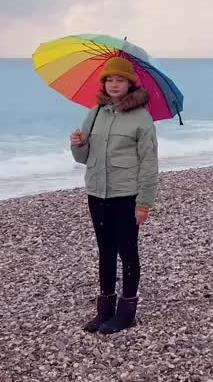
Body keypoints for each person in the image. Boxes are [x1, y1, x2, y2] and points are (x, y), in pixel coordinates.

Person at [69, 55, 159, 334]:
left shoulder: (141, 117)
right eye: (109, 79)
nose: (114, 84)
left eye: (120, 79)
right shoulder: (95, 112)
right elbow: (84, 157)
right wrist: (77, 144)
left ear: (130, 84)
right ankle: (104, 308)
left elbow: (149, 162)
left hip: (126, 194)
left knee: (127, 251)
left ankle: (127, 310)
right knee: (105, 250)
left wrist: (144, 202)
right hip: (97, 192)